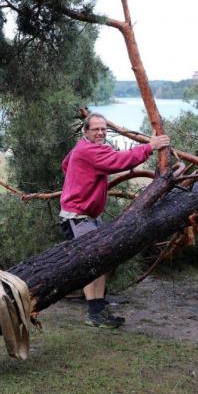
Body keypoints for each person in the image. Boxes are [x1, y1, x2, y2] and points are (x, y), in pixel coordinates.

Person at [60, 112, 170, 328]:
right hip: (77, 216)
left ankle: (98, 309)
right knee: (93, 263)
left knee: (101, 262)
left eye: (103, 129)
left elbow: (66, 164)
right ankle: (94, 313)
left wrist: (82, 179)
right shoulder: (88, 150)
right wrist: (150, 146)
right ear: (85, 131)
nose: (100, 132)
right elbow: (119, 161)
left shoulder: (83, 148)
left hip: (87, 215)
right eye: (95, 129)